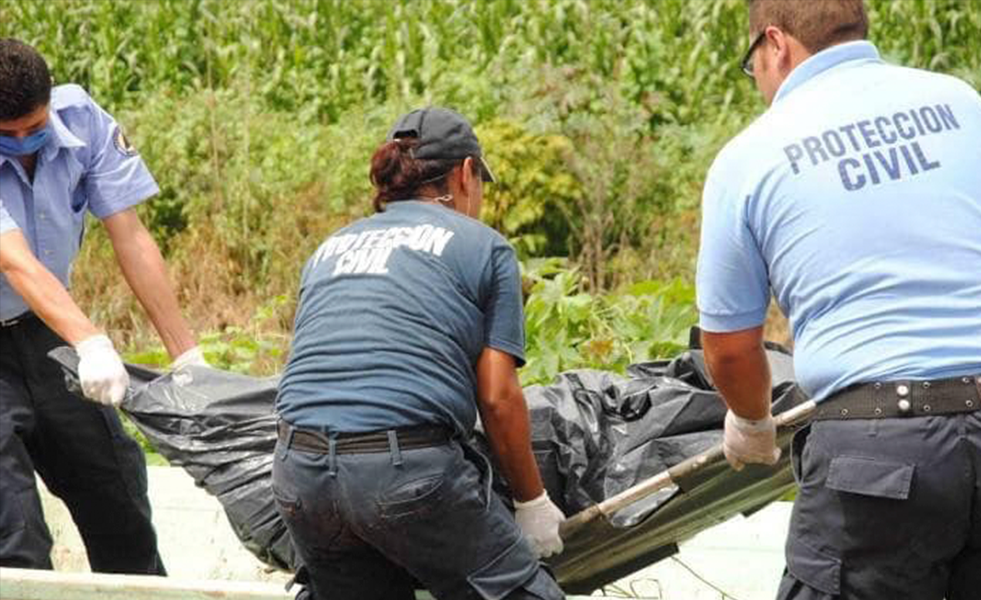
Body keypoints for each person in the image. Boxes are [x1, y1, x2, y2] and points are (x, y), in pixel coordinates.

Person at [695, 0, 981, 598]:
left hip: (878, 455)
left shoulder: (749, 157)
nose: (756, 80)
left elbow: (729, 349)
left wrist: (752, 422)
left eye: (750, 62)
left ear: (776, 44)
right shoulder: (963, 103)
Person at [273, 107, 566, 600]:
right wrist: (531, 502)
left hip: (297, 474)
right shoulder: (485, 247)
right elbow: (496, 398)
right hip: (405, 473)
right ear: (466, 173)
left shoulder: (329, 248)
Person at [0, 38, 205, 573]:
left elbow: (129, 235)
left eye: (34, 127)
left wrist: (187, 358)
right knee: (14, 529)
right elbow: (14, 260)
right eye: (7, 136)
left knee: (116, 494)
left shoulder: (83, 119)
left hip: (42, 330)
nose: (23, 143)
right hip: (33, 325)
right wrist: (91, 341)